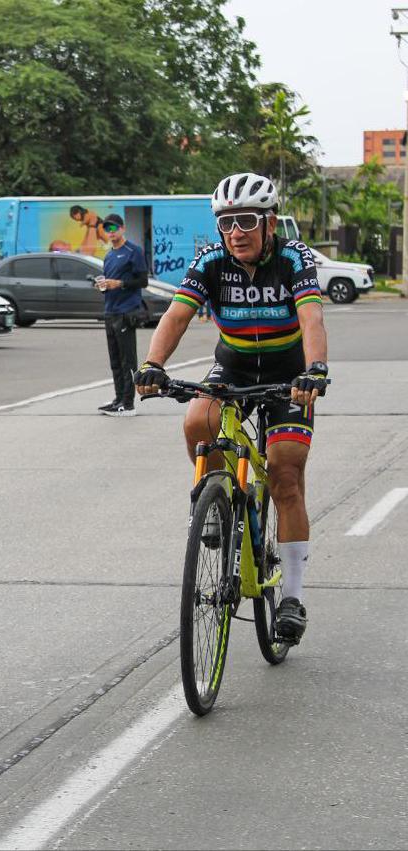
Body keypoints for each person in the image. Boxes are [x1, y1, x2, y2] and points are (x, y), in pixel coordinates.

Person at [133, 172, 328, 644]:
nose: (235, 231)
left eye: (245, 220)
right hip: (234, 369)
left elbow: (311, 318)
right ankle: (216, 505)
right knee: (198, 420)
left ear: (269, 222)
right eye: (225, 222)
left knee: (285, 473)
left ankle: (293, 598)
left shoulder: (293, 259)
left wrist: (315, 369)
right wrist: (153, 364)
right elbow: (176, 315)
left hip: (288, 376)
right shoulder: (211, 260)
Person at [96, 214, 148, 417]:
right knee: (115, 360)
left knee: (128, 360)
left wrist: (121, 283)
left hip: (126, 312)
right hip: (110, 311)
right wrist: (103, 286)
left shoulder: (133, 251)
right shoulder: (109, 255)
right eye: (107, 229)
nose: (110, 232)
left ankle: (128, 404)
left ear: (122, 229)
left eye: (114, 228)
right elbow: (108, 283)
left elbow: (143, 281)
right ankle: (118, 398)